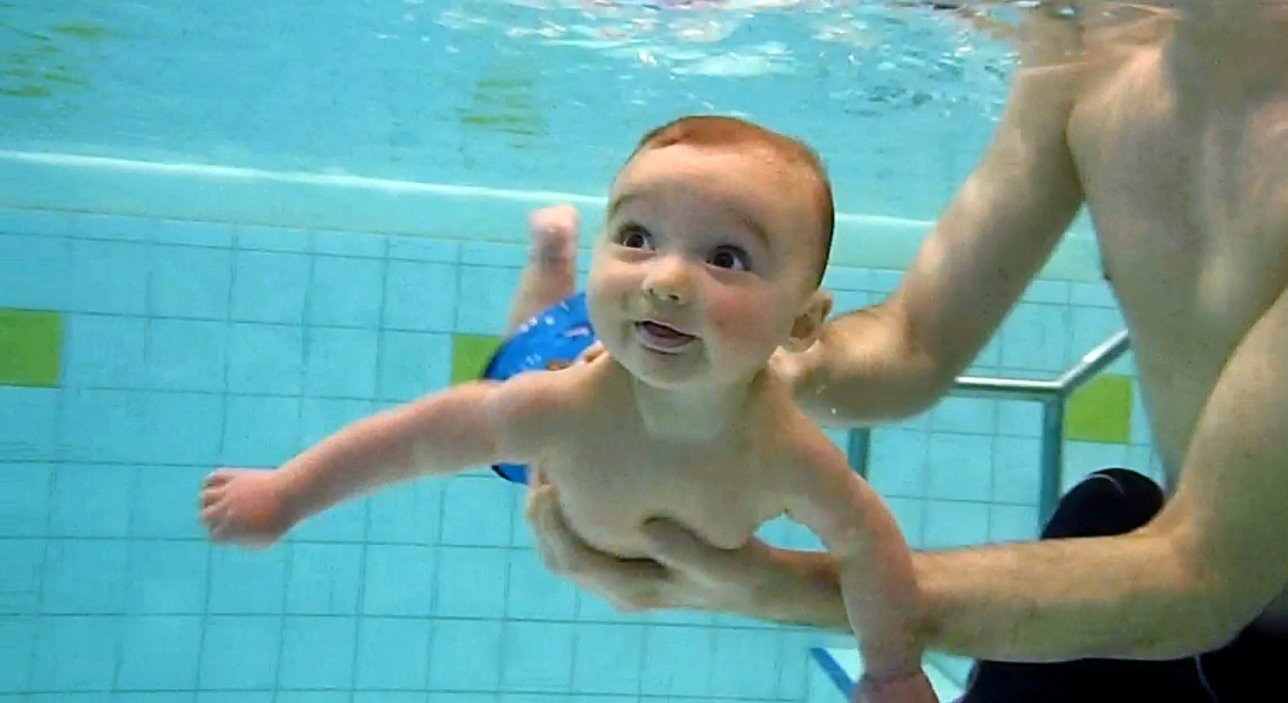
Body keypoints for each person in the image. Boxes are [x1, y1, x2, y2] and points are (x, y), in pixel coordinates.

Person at [525, 2, 1288, 700]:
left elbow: (1200, 572)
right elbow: (910, 345)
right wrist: (720, 363)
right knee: (1105, 516)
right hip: (1177, 621)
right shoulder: (1093, 60)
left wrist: (766, 584)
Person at [198, 115, 940, 703]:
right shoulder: (560, 402)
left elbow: (870, 545)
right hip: (552, 418)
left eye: (726, 257)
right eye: (636, 238)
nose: (668, 279)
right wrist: (286, 493)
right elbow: (416, 441)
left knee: (562, 339)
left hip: (617, 387)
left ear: (802, 324)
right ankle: (551, 263)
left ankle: (558, 268)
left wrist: (893, 668)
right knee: (534, 340)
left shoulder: (788, 453)